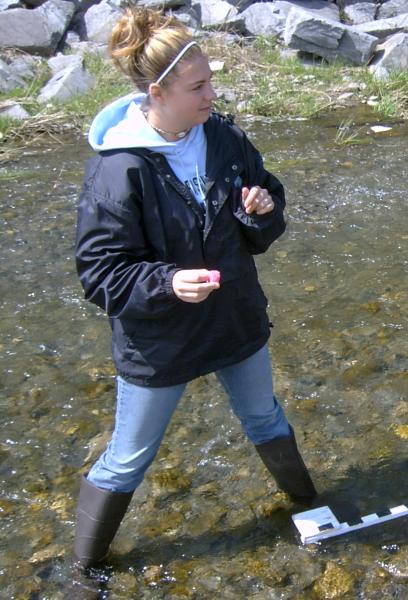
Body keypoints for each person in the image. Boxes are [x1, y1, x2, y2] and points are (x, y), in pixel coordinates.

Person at [73, 7, 315, 568]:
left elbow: (266, 212)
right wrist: (167, 282)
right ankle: (83, 570)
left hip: (234, 319)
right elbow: (100, 273)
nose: (212, 94)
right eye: (198, 86)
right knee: (129, 458)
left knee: (266, 419)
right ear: (157, 92)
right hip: (161, 340)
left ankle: (312, 506)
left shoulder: (224, 137)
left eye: (211, 81)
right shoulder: (118, 169)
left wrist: (262, 209)